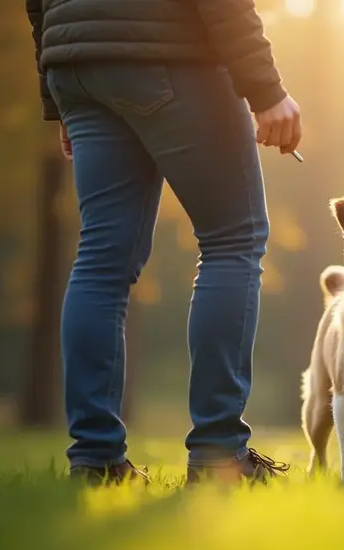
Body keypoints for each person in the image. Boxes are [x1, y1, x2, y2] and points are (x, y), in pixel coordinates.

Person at [25, 0, 301, 486]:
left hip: (75, 63)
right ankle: (220, 455)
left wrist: (57, 92)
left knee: (100, 261)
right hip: (169, 50)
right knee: (232, 239)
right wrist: (265, 88)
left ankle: (95, 461)